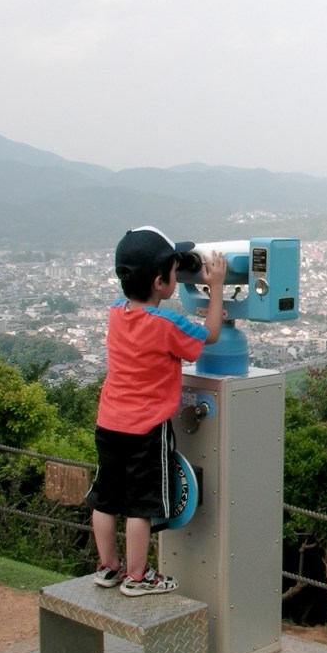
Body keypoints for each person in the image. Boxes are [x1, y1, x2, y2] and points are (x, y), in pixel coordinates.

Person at [85, 225, 227, 596]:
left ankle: (108, 567)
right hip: (146, 428)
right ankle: (137, 576)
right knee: (141, 507)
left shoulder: (117, 312)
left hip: (109, 422)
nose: (180, 274)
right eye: (176, 270)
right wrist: (215, 289)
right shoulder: (168, 324)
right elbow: (208, 336)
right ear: (162, 282)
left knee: (105, 498)